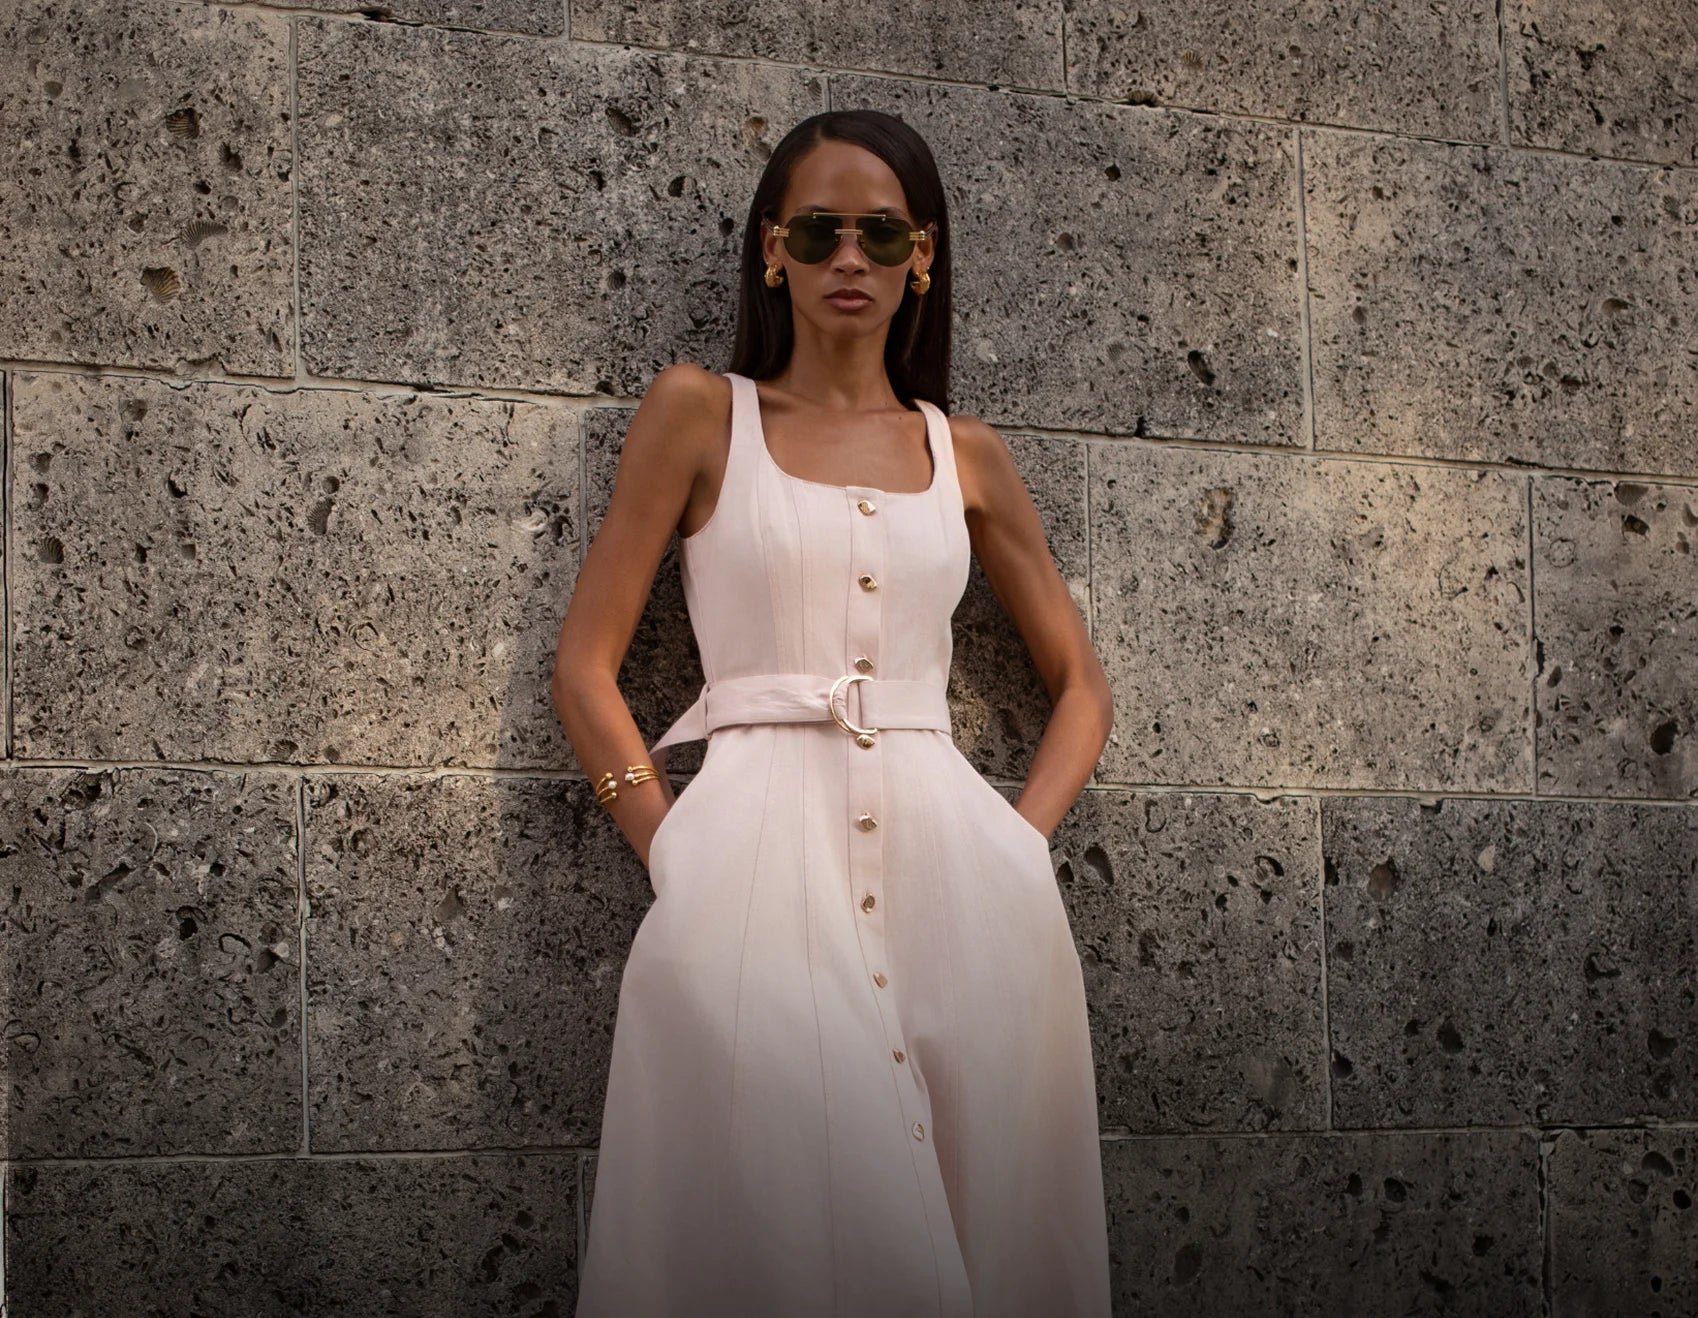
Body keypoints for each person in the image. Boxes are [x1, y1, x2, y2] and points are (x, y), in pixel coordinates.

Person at [553, 108, 1115, 1318]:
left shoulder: (968, 456)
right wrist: (673, 847)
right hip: (750, 871)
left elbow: (1082, 685)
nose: (846, 259)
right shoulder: (700, 414)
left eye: (879, 232)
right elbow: (585, 668)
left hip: (963, 888)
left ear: (925, 255)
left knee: (989, 1224)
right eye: (816, 232)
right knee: (775, 1217)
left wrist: (1019, 846)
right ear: (772, 252)